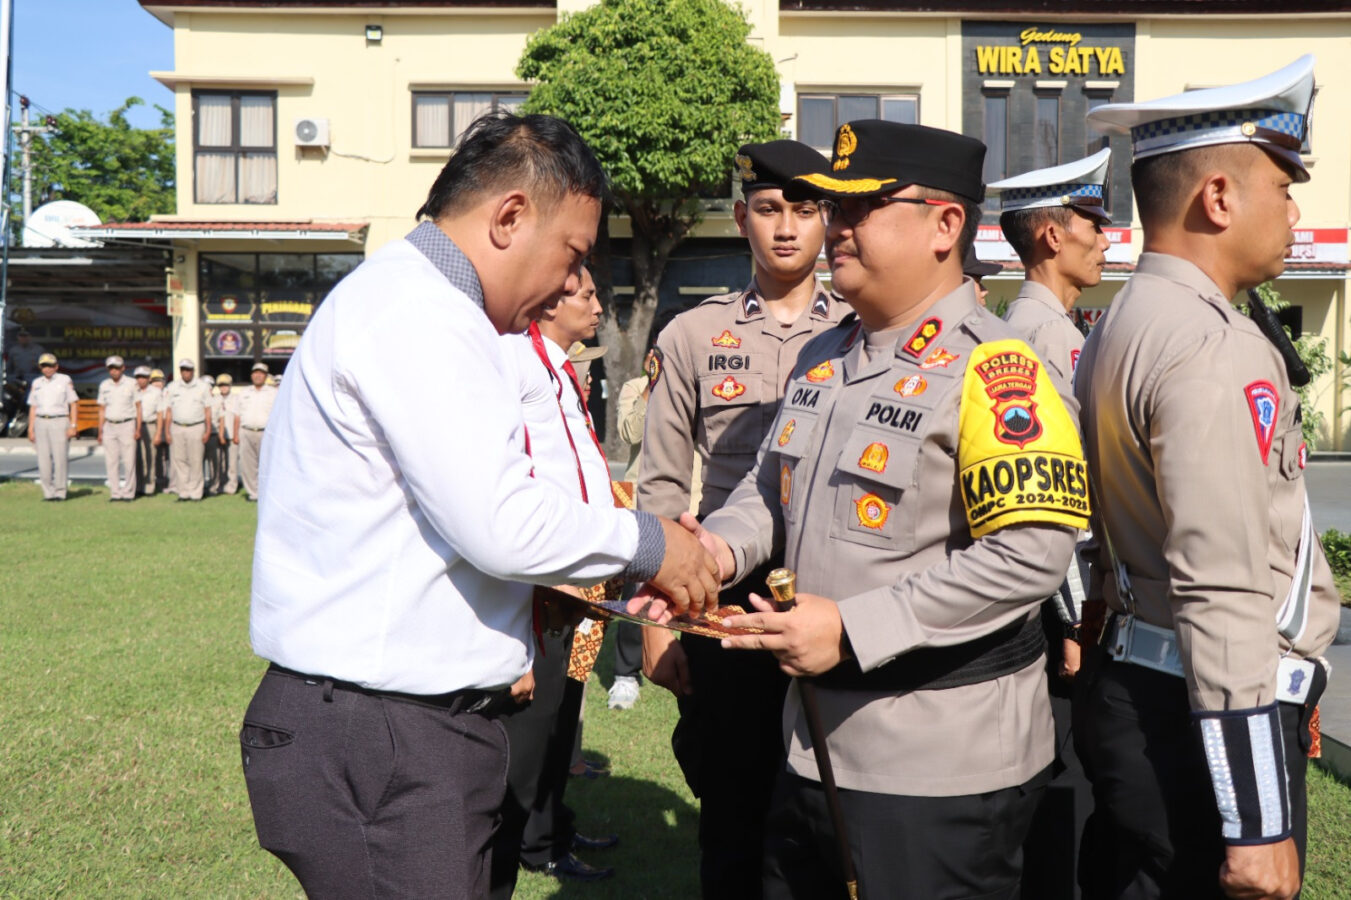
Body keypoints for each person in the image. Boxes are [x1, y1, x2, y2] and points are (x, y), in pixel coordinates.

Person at [239, 111, 718, 900]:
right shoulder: (421, 314)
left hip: (393, 722)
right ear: (508, 219)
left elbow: (428, 524)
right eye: (570, 255)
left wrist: (527, 602)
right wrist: (652, 542)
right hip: (382, 730)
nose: (570, 284)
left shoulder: (419, 304)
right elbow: (501, 521)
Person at [672, 119, 1089, 898]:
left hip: (936, 768)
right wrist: (714, 551)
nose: (837, 225)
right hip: (809, 743)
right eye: (835, 207)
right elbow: (769, 490)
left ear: (945, 224)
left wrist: (853, 629)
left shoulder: (998, 368)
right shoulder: (822, 357)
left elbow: (1030, 553)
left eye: (864, 207)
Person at [1073, 55, 1339, 900]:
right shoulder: (1210, 346)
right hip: (1196, 718)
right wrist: (1256, 819)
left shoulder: (1125, 319)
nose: (1293, 210)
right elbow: (1221, 584)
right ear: (1217, 198)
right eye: (1279, 185)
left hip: (1147, 694)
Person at [637, 139, 847, 900]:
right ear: (740, 218)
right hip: (721, 591)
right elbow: (660, 484)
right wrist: (659, 622)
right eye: (766, 210)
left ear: (826, 219)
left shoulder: (860, 330)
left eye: (802, 209)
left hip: (837, 585)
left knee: (834, 803)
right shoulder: (692, 335)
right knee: (731, 807)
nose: (784, 227)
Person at [987, 149, 1111, 900]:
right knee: (1064, 797)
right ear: (1048, 237)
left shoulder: (1051, 329)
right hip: (1062, 611)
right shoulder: (1043, 342)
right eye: (1090, 222)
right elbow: (1052, 504)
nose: (1104, 237)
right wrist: (1071, 623)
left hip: (1065, 603)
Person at [491, 267, 618, 894]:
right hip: (546, 578)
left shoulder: (559, 367)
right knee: (538, 718)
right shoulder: (516, 359)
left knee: (565, 708)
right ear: (548, 304)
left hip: (579, 568)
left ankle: (553, 824)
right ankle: (528, 843)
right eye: (585, 294)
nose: (597, 306)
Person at [608, 347, 661, 711]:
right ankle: (626, 675)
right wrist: (652, 386)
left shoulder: (698, 385)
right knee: (636, 588)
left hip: (692, 498)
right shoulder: (634, 387)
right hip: (640, 498)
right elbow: (629, 432)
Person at [26, 352, 78, 501]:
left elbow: (73, 403)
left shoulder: (64, 380)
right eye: (44, 366)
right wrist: (30, 428)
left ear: (56, 366)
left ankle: (60, 492)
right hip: (41, 422)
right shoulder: (36, 383)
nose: (47, 369)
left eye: (50, 366)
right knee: (43, 459)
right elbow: (33, 407)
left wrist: (73, 425)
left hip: (60, 421)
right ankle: (48, 493)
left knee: (60, 458)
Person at [159, 360, 213, 501]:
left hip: (196, 426)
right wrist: (167, 431)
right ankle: (183, 492)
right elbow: (168, 411)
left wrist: (208, 430)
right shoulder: (172, 387)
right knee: (179, 461)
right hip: (177, 427)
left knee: (195, 461)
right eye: (183, 369)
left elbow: (208, 410)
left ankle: (196, 493)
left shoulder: (203, 387)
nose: (186, 372)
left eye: (188, 369)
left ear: (193, 371)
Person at [96, 355, 141, 502]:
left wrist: (138, 428)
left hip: (127, 424)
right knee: (111, 461)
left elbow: (138, 407)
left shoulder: (131, 383)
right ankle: (115, 493)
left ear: (123, 368)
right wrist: (100, 430)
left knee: (129, 461)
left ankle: (128, 493)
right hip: (109, 425)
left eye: (116, 368)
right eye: (111, 368)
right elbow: (102, 409)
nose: (114, 371)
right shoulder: (104, 385)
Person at [235, 362, 277, 502]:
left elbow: (278, 415)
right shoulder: (244, 392)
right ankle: (253, 494)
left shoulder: (273, 393)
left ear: (265, 376)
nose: (258, 375)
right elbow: (237, 414)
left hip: (266, 433)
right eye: (255, 373)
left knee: (266, 465)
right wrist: (236, 434)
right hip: (246, 431)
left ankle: (265, 493)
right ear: (252, 375)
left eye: (261, 373)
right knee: (247, 465)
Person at [132, 366, 160, 496]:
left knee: (150, 457)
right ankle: (138, 486)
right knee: (136, 458)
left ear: (148, 379)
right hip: (132, 425)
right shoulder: (131, 389)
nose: (140, 380)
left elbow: (160, 413)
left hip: (149, 425)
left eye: (143, 377)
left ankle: (149, 487)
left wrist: (159, 432)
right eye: (138, 377)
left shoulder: (155, 392)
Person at [214, 373, 240, 494]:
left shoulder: (236, 399)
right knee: (220, 462)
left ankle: (232, 486)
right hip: (218, 434)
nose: (223, 388)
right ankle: (220, 483)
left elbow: (237, 417)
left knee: (232, 463)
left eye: (226, 385)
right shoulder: (215, 399)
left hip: (231, 435)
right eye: (221, 385)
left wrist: (236, 434)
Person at [148, 369, 170, 494]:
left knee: (170, 457)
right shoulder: (147, 393)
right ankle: (159, 482)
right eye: (155, 381)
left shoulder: (169, 393)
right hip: (155, 428)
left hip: (169, 428)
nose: (157, 384)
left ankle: (171, 483)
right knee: (156, 457)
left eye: (159, 381)